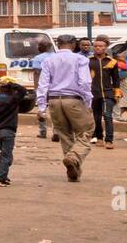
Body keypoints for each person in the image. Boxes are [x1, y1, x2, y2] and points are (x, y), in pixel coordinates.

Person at [37, 34, 95, 181]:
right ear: (74, 45)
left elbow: (43, 84)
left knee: (64, 135)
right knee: (86, 131)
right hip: (73, 99)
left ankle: (74, 170)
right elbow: (85, 82)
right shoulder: (80, 59)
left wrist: (41, 107)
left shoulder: (48, 60)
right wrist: (88, 102)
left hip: (54, 100)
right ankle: (74, 157)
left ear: (58, 44)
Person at [0, 78, 36, 186]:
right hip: (8, 132)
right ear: (11, 89)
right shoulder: (13, 99)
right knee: (6, 156)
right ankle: (1, 177)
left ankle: (2, 173)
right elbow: (23, 90)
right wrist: (12, 84)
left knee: (5, 155)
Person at [88, 36, 122, 150]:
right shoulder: (88, 61)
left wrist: (117, 93)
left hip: (108, 93)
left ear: (106, 47)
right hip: (93, 93)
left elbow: (116, 79)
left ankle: (109, 140)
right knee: (96, 117)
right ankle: (99, 137)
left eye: (101, 46)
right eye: (96, 46)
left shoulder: (112, 62)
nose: (98, 48)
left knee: (107, 115)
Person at [29, 38, 55, 140]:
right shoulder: (57, 56)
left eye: (39, 46)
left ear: (41, 47)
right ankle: (56, 132)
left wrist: (36, 87)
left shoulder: (38, 58)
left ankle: (43, 131)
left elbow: (37, 73)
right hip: (56, 87)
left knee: (41, 109)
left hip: (43, 87)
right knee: (54, 111)